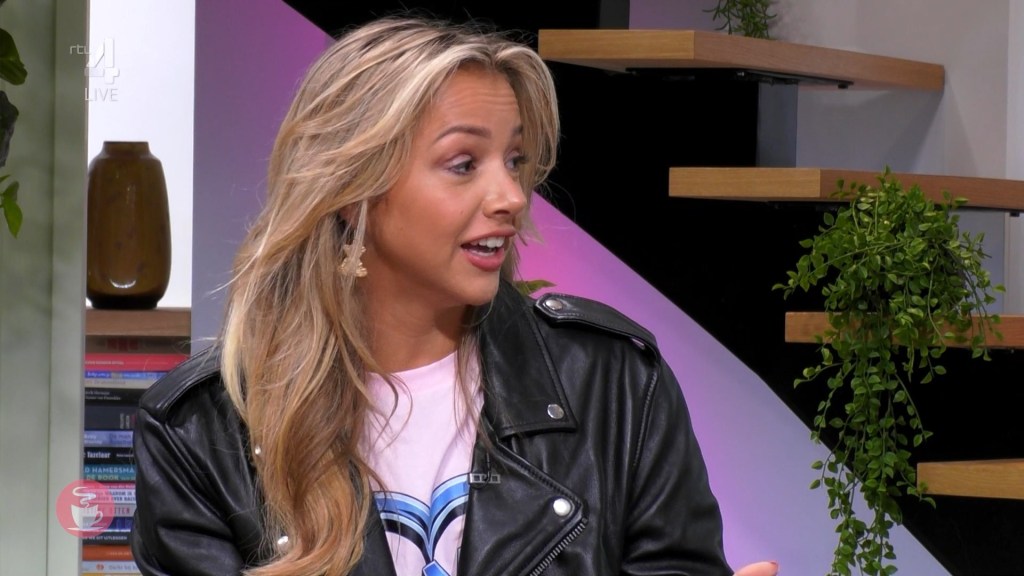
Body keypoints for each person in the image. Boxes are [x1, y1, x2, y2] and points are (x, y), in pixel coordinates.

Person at [130, 17, 778, 576]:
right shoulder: (201, 429)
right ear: (352, 191)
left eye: (515, 160)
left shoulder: (614, 384)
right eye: (464, 164)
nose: (512, 197)